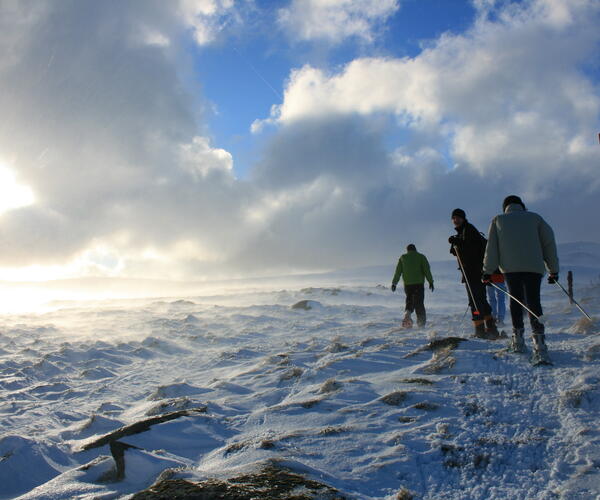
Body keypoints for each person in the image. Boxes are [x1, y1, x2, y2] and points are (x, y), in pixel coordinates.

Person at [483, 195, 559, 364]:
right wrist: (553, 270)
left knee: (515, 300)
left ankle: (518, 340)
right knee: (534, 302)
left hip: (511, 269)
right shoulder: (535, 218)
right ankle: (540, 345)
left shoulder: (498, 220)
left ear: (505, 207)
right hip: (534, 268)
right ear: (521, 206)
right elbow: (548, 243)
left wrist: (487, 271)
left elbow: (492, 248)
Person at [448, 208, 500, 339]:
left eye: (458, 217)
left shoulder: (468, 230)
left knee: (475, 302)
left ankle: (480, 330)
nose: (456, 220)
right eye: (454, 218)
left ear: (463, 218)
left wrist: (458, 243)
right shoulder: (464, 231)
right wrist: (456, 243)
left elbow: (471, 250)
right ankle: (491, 328)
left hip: (473, 272)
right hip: (475, 272)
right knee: (481, 299)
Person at [391, 244, 434, 328]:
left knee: (409, 300)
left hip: (408, 285)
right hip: (418, 284)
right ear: (415, 249)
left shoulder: (403, 257)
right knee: (419, 303)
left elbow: (398, 272)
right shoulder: (421, 256)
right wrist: (430, 281)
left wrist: (394, 283)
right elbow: (426, 270)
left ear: (407, 250)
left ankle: (407, 314)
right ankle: (421, 325)